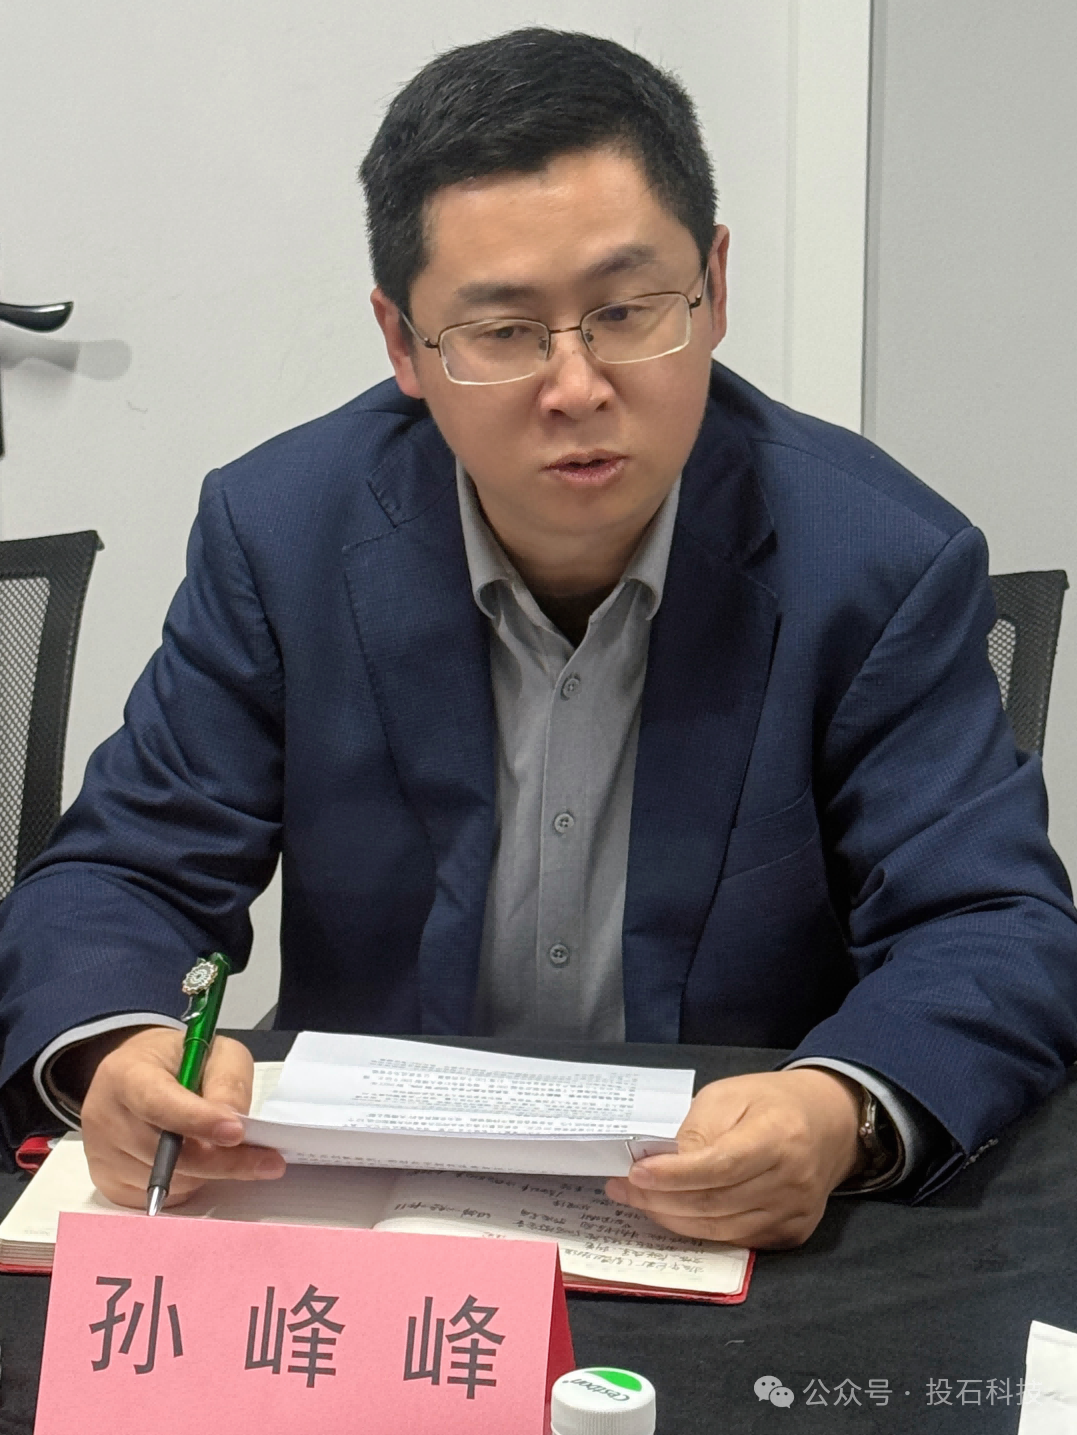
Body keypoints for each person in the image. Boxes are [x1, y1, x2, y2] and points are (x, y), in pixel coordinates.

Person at [1, 28, 1075, 1250]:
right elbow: (123, 873)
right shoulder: (285, 533)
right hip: (369, 1207)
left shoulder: (874, 562)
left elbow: (991, 923)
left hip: (714, 1219)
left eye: (626, 309)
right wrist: (118, 1052)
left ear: (715, 288)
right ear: (403, 344)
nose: (575, 386)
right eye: (504, 331)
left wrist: (838, 1109)